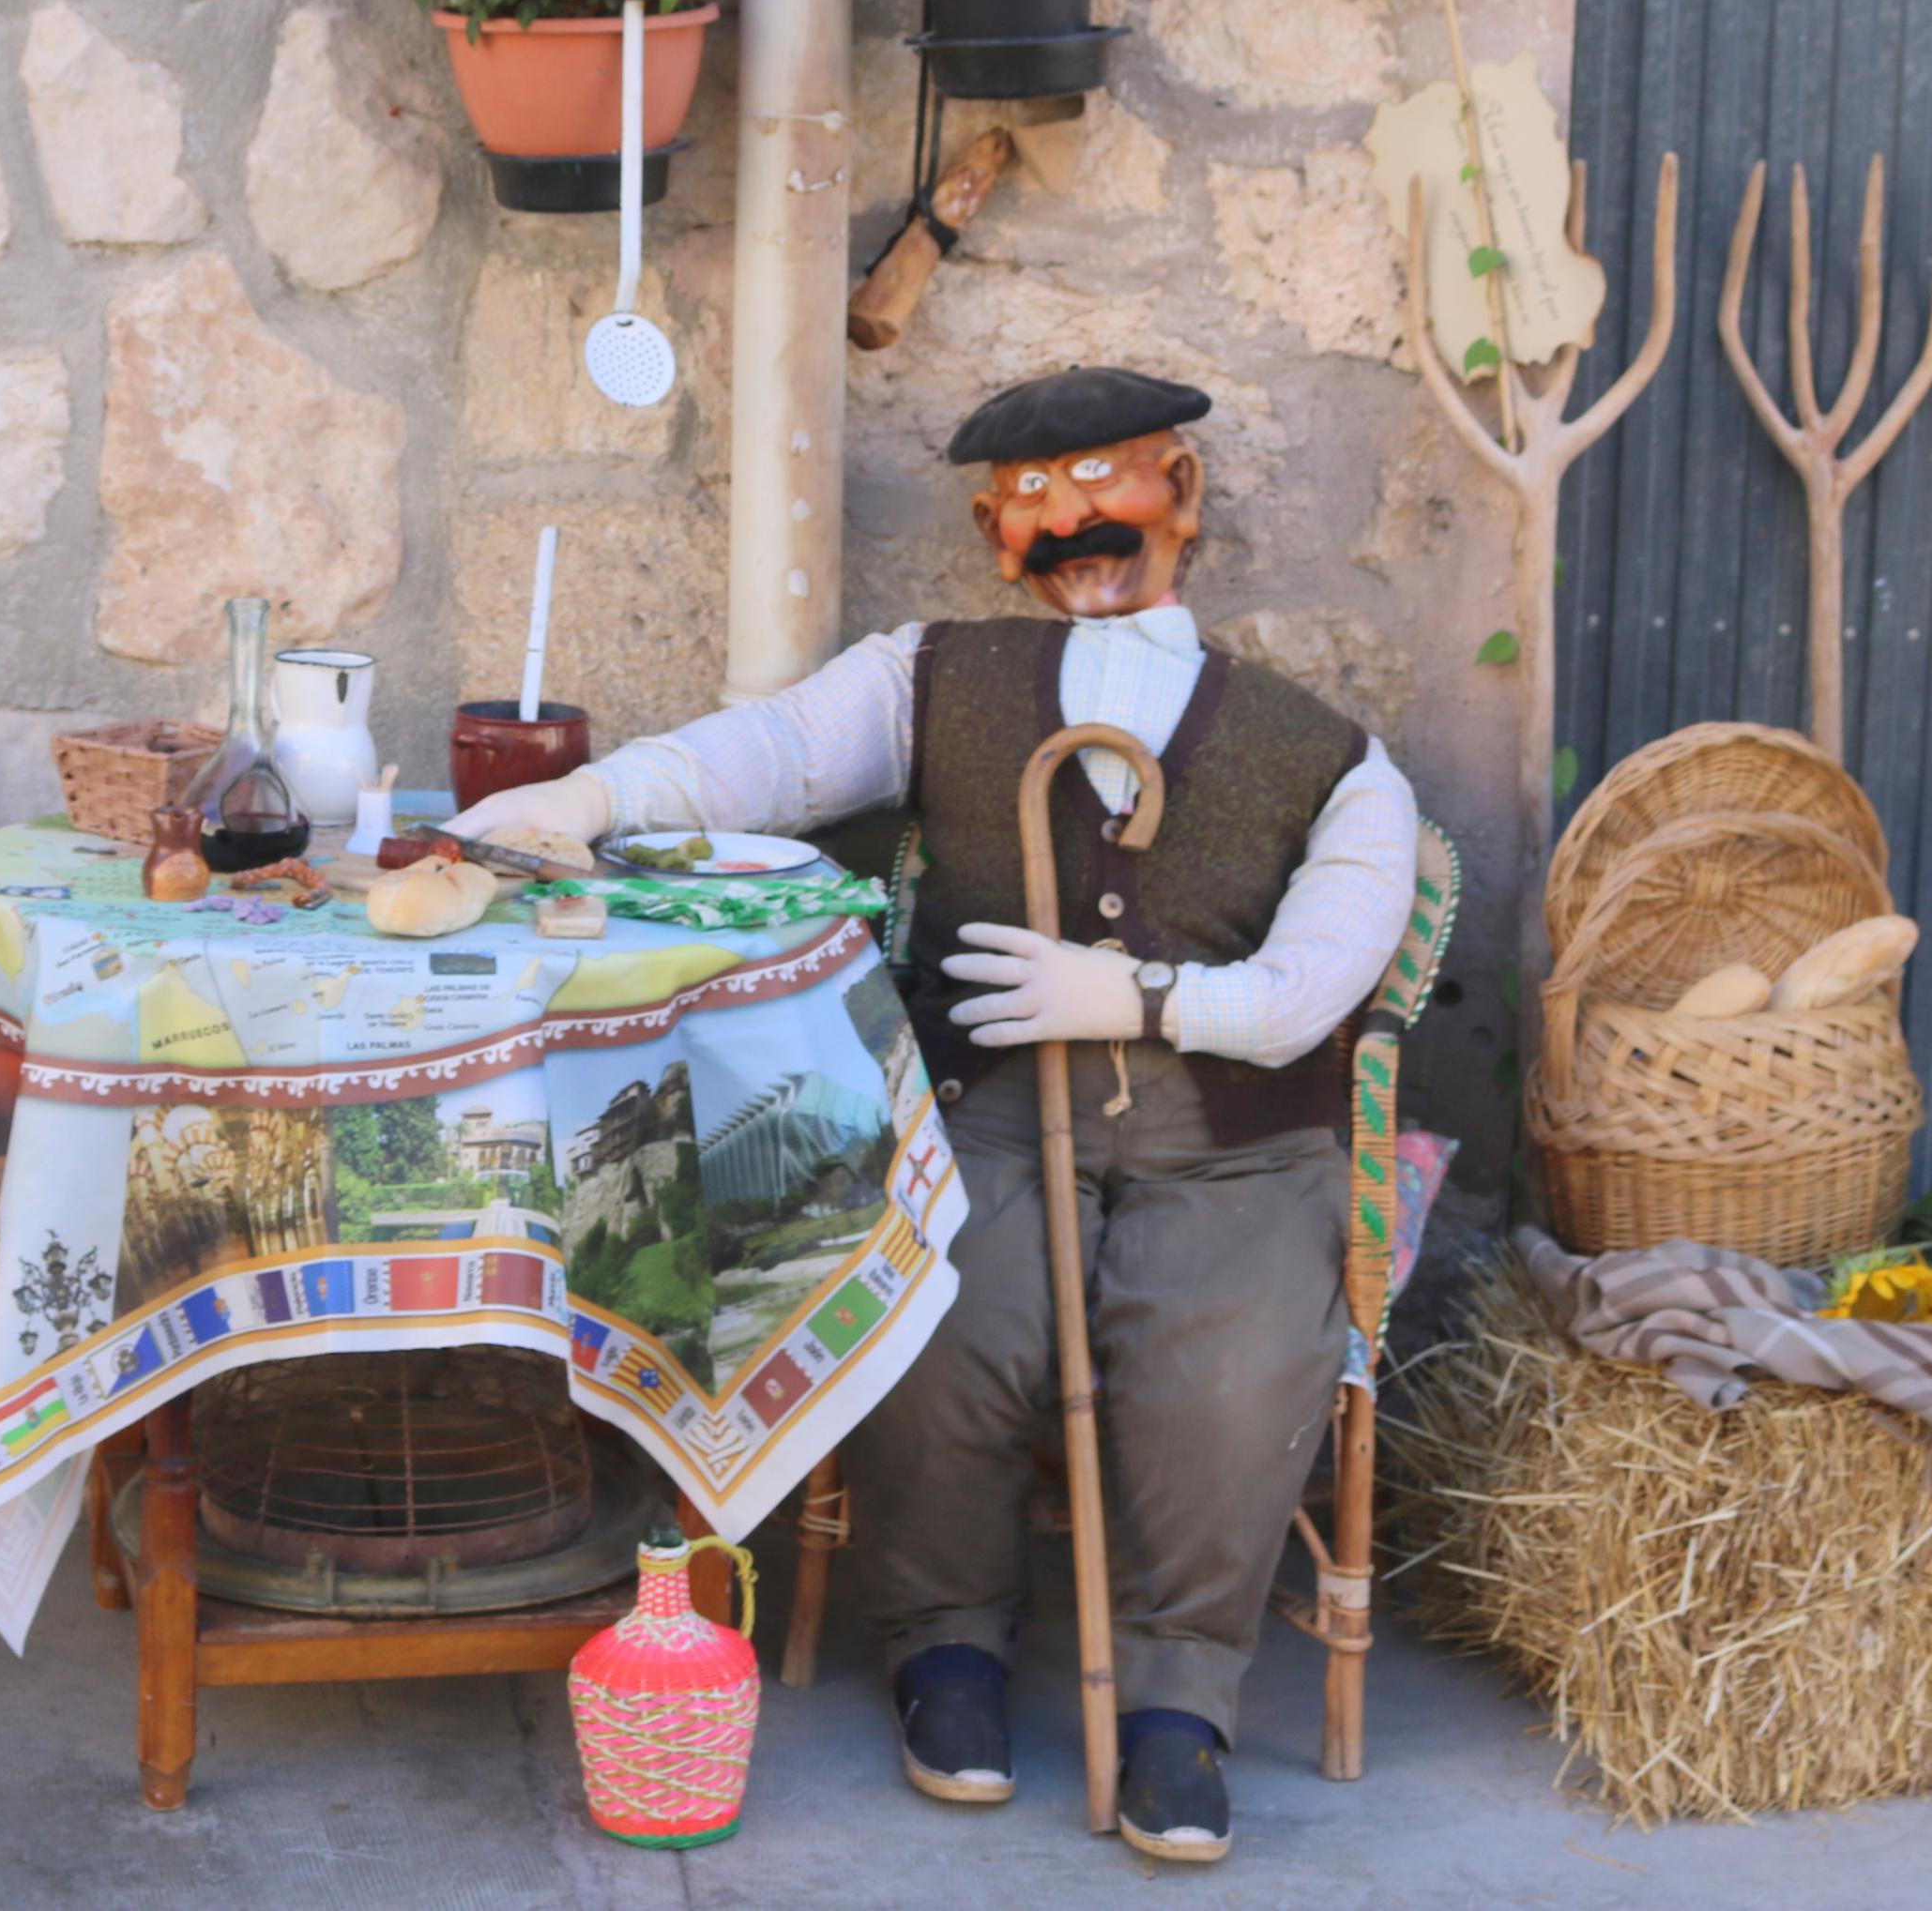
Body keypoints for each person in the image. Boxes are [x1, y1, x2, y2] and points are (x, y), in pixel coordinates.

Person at [451, 364, 1418, 1867]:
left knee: (1225, 1367)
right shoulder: (929, 675)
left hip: (1232, 1138)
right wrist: (590, 800)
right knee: (940, 1323)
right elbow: (762, 757)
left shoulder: (1335, 759)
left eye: (1109, 480)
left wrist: (1149, 1004)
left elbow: (1319, 981)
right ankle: (946, 1648)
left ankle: (1181, 1700)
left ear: (1186, 496)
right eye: (1032, 495)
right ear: (988, 525)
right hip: (983, 1117)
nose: (1074, 519)